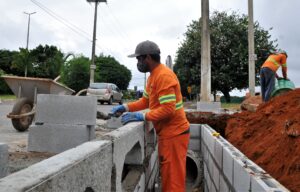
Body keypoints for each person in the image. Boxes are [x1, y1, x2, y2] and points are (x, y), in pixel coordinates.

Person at [111, 40, 190, 191]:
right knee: (168, 177)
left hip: (175, 134)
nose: (138, 63)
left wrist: (143, 117)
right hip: (168, 134)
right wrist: (126, 107)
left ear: (147, 57)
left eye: (138, 59)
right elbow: (145, 101)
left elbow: (168, 109)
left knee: (173, 181)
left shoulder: (164, 76)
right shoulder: (153, 77)